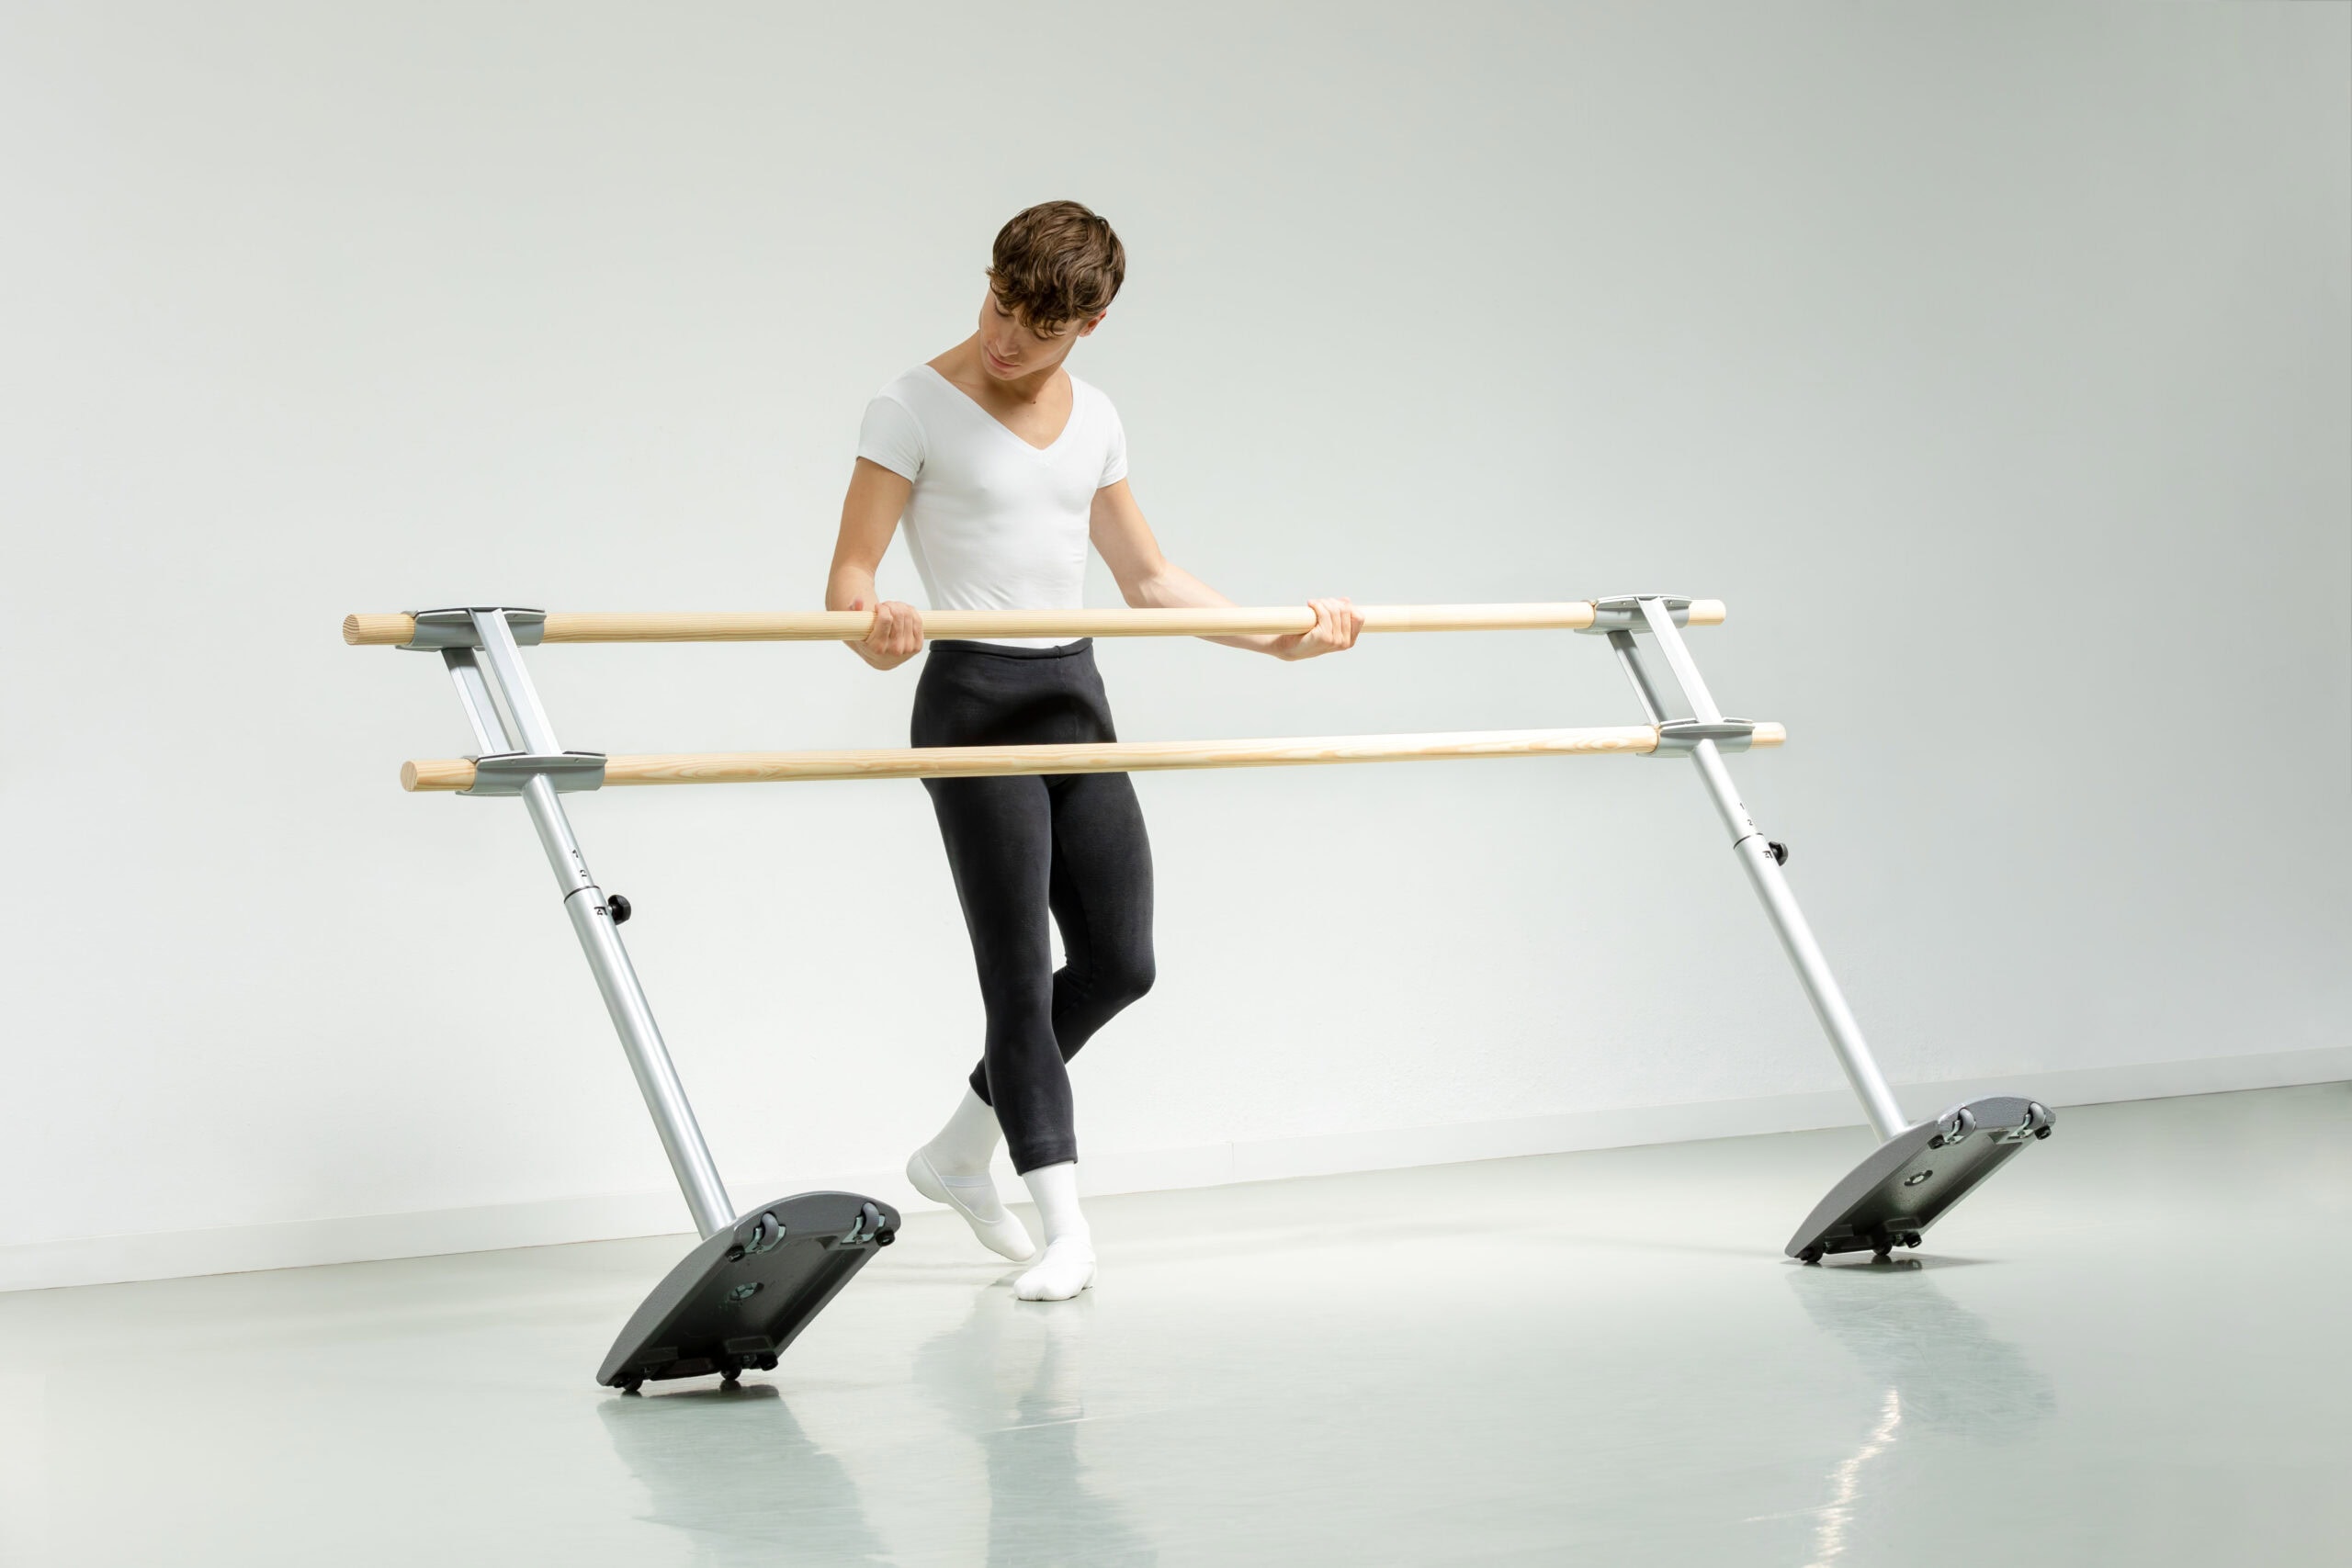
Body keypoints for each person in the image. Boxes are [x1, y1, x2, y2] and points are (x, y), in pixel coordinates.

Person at [826, 200, 1363, 1302]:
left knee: (1121, 962)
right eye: (999, 307)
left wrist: (1279, 640)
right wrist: (874, 631)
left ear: (1091, 323)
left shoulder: (1098, 417)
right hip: (972, 702)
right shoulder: (909, 406)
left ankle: (958, 1152)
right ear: (987, 281)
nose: (1006, 339)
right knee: (1019, 978)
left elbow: (1149, 581)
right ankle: (1065, 1227)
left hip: (1073, 695)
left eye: (1039, 328)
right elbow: (849, 584)